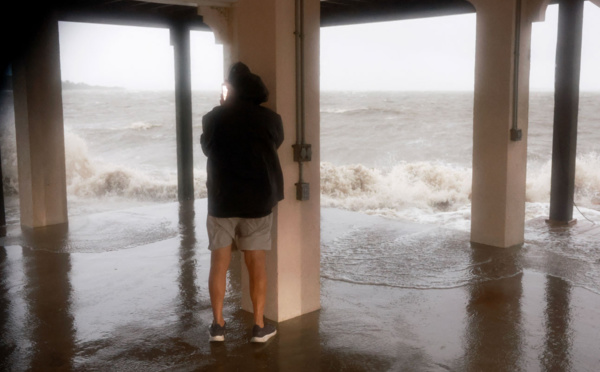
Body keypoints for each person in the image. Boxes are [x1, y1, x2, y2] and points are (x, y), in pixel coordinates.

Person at [201, 62, 284, 343]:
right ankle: (259, 327)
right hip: (257, 200)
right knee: (256, 262)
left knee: (219, 263)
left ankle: (218, 326)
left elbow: (207, 148)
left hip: (222, 199)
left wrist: (221, 106)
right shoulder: (271, 119)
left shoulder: (213, 118)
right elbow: (276, 144)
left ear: (230, 89)